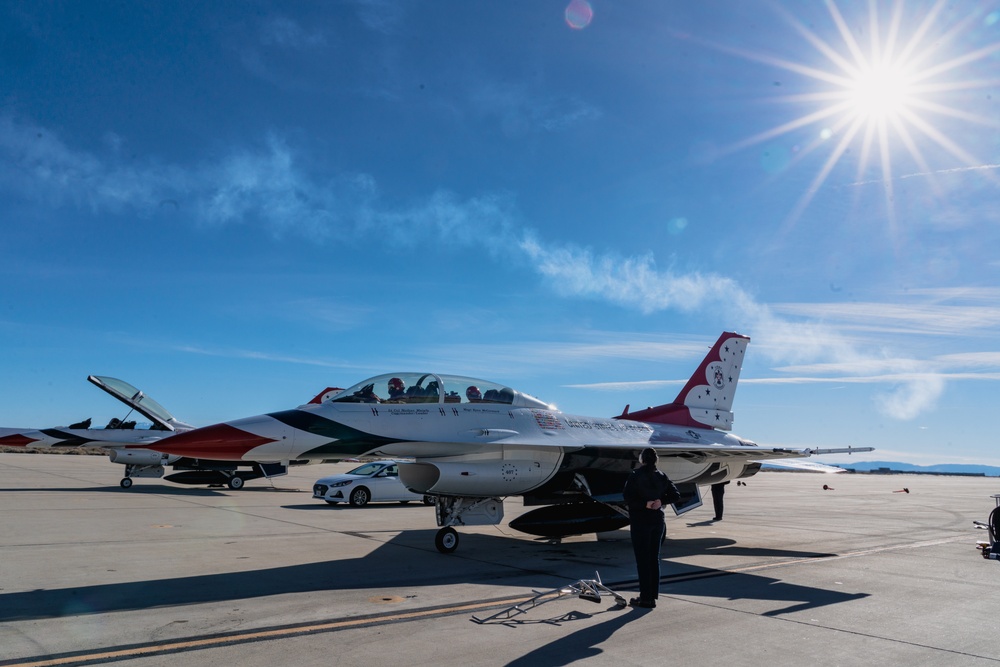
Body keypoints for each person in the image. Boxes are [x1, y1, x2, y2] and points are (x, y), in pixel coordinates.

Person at [623, 447, 679, 609]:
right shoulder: (662, 476)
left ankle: (645, 598)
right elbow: (676, 495)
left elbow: (627, 498)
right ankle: (652, 596)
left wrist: (644, 504)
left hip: (641, 521)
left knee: (643, 561)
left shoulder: (635, 475)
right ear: (656, 460)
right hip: (657, 521)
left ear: (642, 460)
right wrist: (661, 501)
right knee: (654, 559)